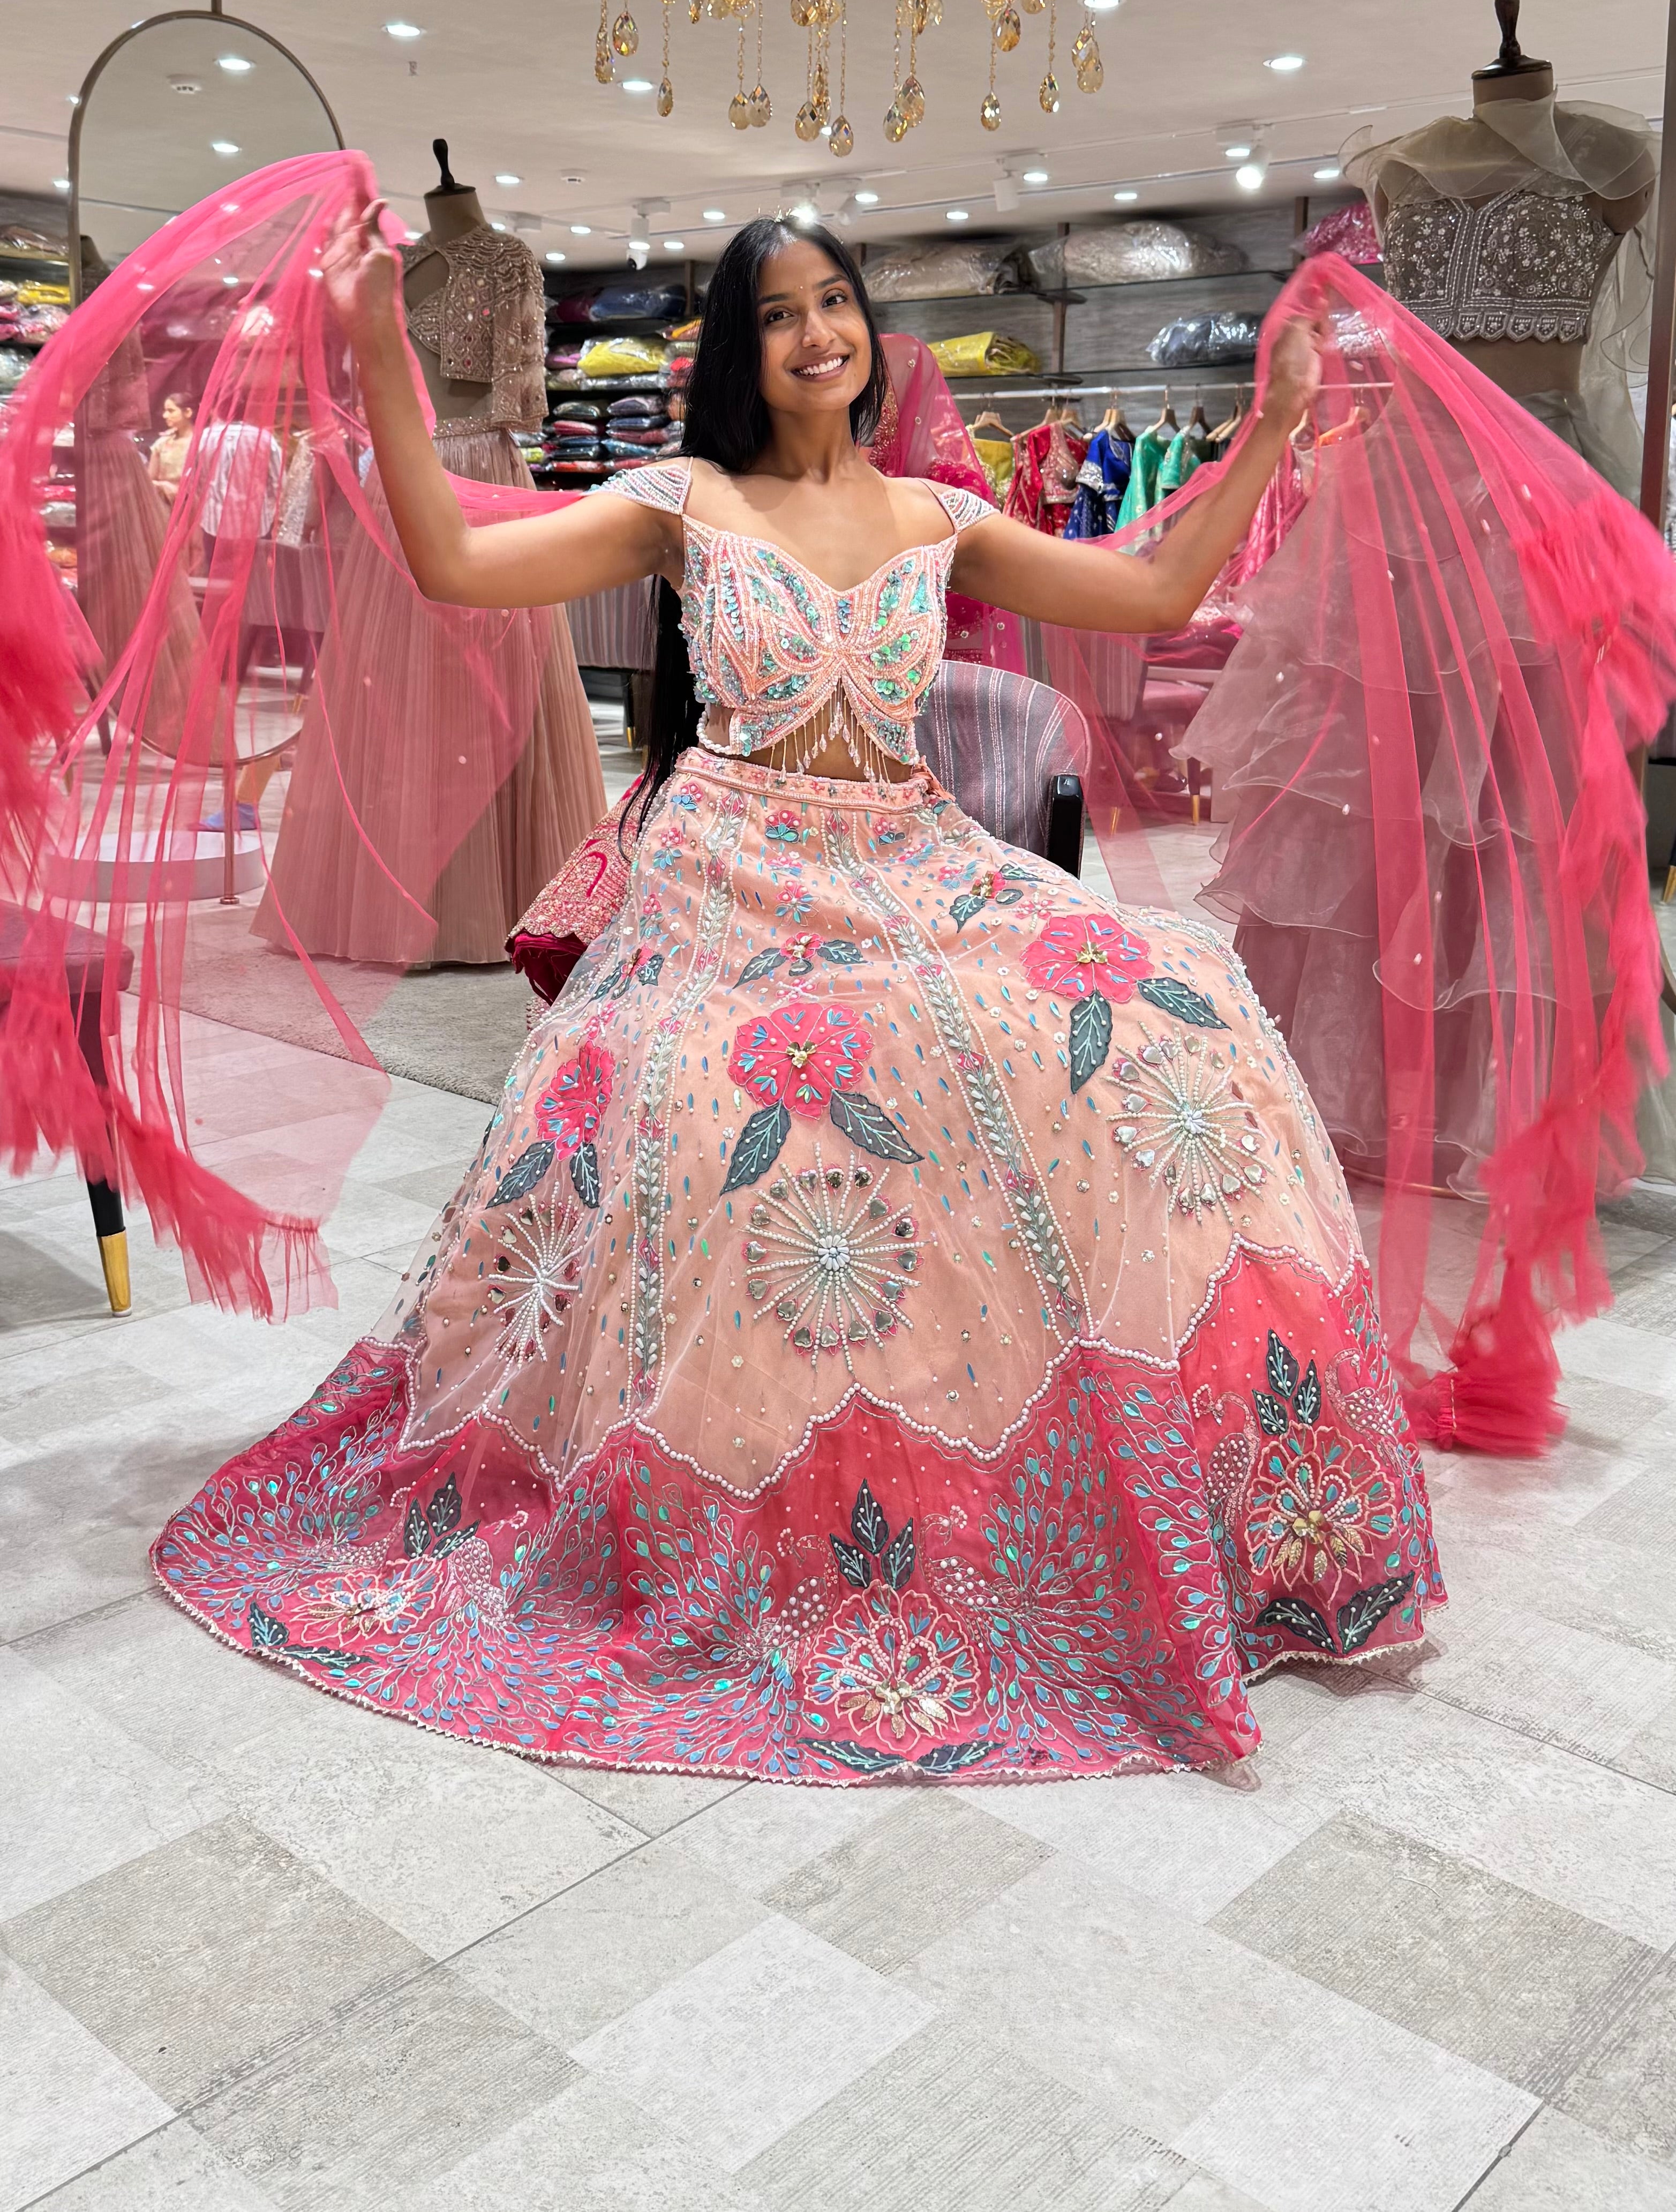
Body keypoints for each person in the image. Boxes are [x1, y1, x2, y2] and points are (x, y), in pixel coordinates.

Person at [154, 208, 1441, 1782]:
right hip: (731, 877)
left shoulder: (930, 511)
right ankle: (768, 1499)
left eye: (836, 299)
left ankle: (1125, 1488)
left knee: (1154, 1004)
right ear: (738, 349)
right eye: (778, 311)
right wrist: (373, 354)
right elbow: (454, 559)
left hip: (907, 858)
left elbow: (1159, 584)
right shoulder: (676, 500)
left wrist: (1269, 425)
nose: (817, 330)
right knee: (751, 1112)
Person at [147, 391, 194, 504]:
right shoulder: (162, 443)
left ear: (187, 412)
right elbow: (150, 479)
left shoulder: (201, 443)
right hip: (164, 501)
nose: (165, 416)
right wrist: (162, 486)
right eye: (165, 411)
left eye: (171, 411)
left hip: (192, 503)